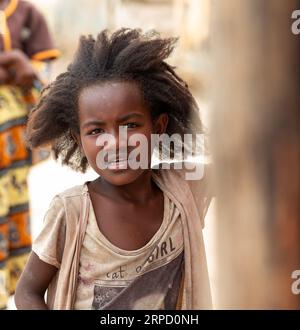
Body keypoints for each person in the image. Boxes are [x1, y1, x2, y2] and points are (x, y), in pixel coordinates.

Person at [14, 28, 213, 310]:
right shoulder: (71, 212)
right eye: (96, 131)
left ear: (158, 127)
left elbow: (245, 164)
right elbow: (27, 293)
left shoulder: (184, 188)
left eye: (130, 125)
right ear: (78, 140)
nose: (115, 143)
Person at [0, 0, 59, 309]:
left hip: (10, 146)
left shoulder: (27, 15)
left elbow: (45, 78)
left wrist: (25, 67)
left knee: (10, 210)